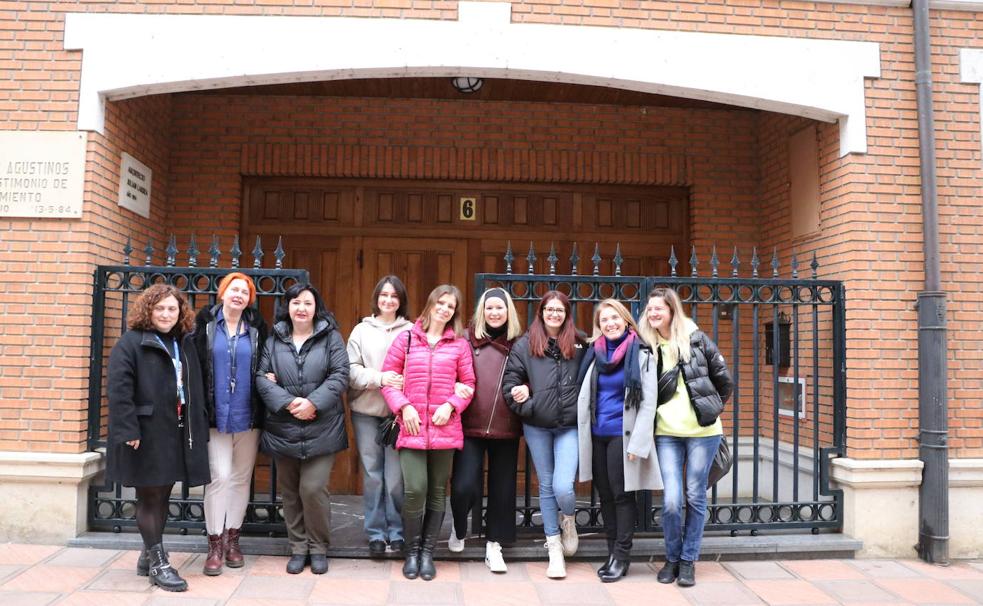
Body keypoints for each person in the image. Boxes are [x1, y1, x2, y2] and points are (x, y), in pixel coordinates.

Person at [107, 284, 210, 592]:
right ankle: (159, 562)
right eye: (160, 308)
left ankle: (147, 555)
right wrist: (128, 430)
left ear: (180, 313)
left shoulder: (183, 342)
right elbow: (119, 390)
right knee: (149, 497)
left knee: (162, 495)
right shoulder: (131, 343)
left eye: (172, 309)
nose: (166, 314)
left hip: (175, 430)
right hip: (144, 432)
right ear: (148, 310)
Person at [638, 287, 732, 588]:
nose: (653, 313)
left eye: (659, 309)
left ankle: (689, 561)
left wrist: (710, 411)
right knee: (671, 500)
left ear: (672, 311)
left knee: (694, 496)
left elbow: (723, 380)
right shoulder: (645, 346)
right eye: (650, 308)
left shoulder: (696, 339)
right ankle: (672, 558)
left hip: (703, 434)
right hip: (667, 433)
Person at [382, 284, 475, 581]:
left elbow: (468, 384)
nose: (445, 309)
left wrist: (451, 405)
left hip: (444, 427)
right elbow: (388, 381)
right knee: (415, 490)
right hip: (412, 427)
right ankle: (411, 551)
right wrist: (404, 407)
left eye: (451, 306)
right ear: (431, 303)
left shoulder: (460, 344)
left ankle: (427, 553)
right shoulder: (407, 338)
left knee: (437, 492)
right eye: (441, 303)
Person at [255, 283, 350, 575]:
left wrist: (312, 403)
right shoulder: (275, 339)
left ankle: (319, 547)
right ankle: (298, 548)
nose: (301, 308)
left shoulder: (330, 338)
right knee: (289, 491)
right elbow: (261, 377)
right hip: (284, 426)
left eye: (307, 303)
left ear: (316, 308)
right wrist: (289, 403)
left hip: (322, 425)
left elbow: (340, 374)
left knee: (312, 488)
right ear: (288, 307)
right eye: (296, 302)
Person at [575, 299, 661, 582]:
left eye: (615, 318)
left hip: (622, 437)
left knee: (623, 495)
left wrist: (638, 444)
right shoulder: (594, 353)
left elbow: (648, 403)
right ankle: (612, 551)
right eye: (604, 320)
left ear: (626, 320)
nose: (610, 323)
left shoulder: (643, 353)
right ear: (599, 326)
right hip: (596, 435)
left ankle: (622, 556)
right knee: (606, 496)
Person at [502, 290, 585, 579]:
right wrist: (528, 402)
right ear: (541, 312)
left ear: (566, 313)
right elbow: (510, 382)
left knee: (564, 486)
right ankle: (554, 549)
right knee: (547, 485)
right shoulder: (525, 344)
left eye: (559, 310)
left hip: (569, 426)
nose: (554, 314)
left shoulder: (580, 342)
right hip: (537, 425)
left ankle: (569, 520)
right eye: (549, 309)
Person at [191, 272, 268, 575]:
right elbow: (193, 365)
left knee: (239, 478)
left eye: (244, 292)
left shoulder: (258, 329)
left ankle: (232, 539)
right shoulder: (205, 326)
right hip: (215, 415)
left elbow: (267, 362)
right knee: (219, 476)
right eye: (233, 289)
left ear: (249, 299)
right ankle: (214, 544)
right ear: (222, 293)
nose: (238, 295)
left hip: (248, 416)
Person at [447, 287, 524, 573]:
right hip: (469, 425)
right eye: (489, 307)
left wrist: (526, 387)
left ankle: (495, 545)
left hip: (506, 425)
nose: (494, 313)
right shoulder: (464, 339)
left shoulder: (519, 342)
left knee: (503, 490)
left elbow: (530, 374)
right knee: (463, 485)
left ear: (508, 311)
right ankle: (458, 526)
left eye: (499, 308)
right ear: (481, 311)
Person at [346, 275, 413, 557]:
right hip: (366, 412)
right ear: (376, 298)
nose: (388, 300)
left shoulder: (411, 331)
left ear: (401, 301)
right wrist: (380, 378)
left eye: (394, 296)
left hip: (399, 415)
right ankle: (375, 533)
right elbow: (349, 370)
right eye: (384, 295)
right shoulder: (361, 330)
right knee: (373, 475)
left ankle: (397, 531)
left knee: (396, 478)